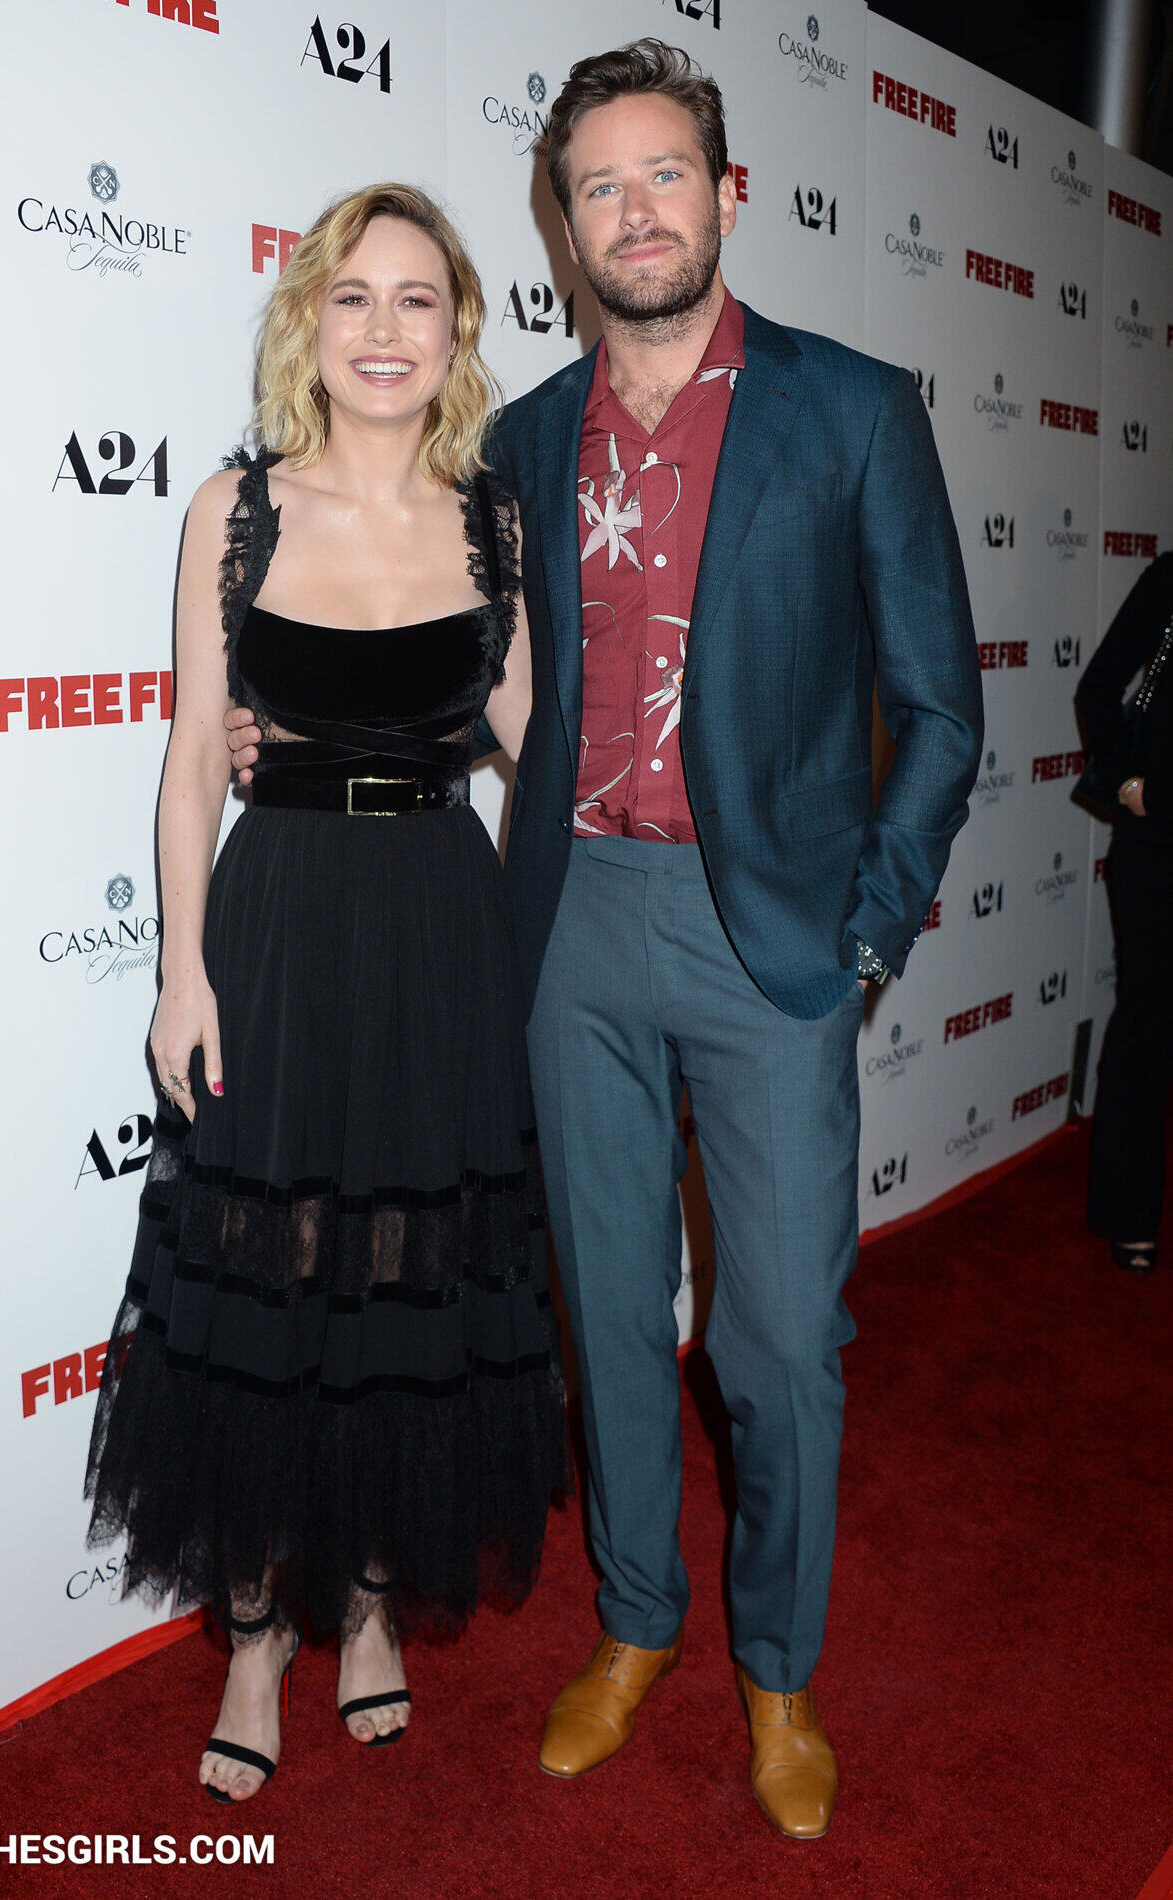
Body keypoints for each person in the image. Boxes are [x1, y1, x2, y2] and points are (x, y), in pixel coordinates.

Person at [227, 41, 982, 1839]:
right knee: (609, 1317)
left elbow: (941, 709)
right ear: (562, 227)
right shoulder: (520, 444)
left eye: (664, 176)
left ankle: (775, 1670)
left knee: (779, 1344)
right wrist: (285, 725)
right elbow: (443, 661)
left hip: (771, 941)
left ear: (724, 193)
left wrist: (867, 934)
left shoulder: (850, 410)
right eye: (597, 188)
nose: (634, 213)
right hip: (565, 929)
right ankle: (637, 1622)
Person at [84, 181, 567, 1803]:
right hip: (280, 921)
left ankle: (363, 1604)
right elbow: (187, 759)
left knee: (405, 1268)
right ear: (309, 320)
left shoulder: (494, 520)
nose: (382, 329)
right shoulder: (234, 508)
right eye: (352, 296)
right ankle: (251, 1632)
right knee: (269, 1276)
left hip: (442, 923)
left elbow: (534, 743)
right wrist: (180, 971)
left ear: (456, 331)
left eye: (416, 299)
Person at [1078, 550, 1173, 1275]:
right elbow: (1100, 685)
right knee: (1148, 1024)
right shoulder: (1171, 579)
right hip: (1160, 849)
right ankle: (1128, 1211)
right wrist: (1129, 784)